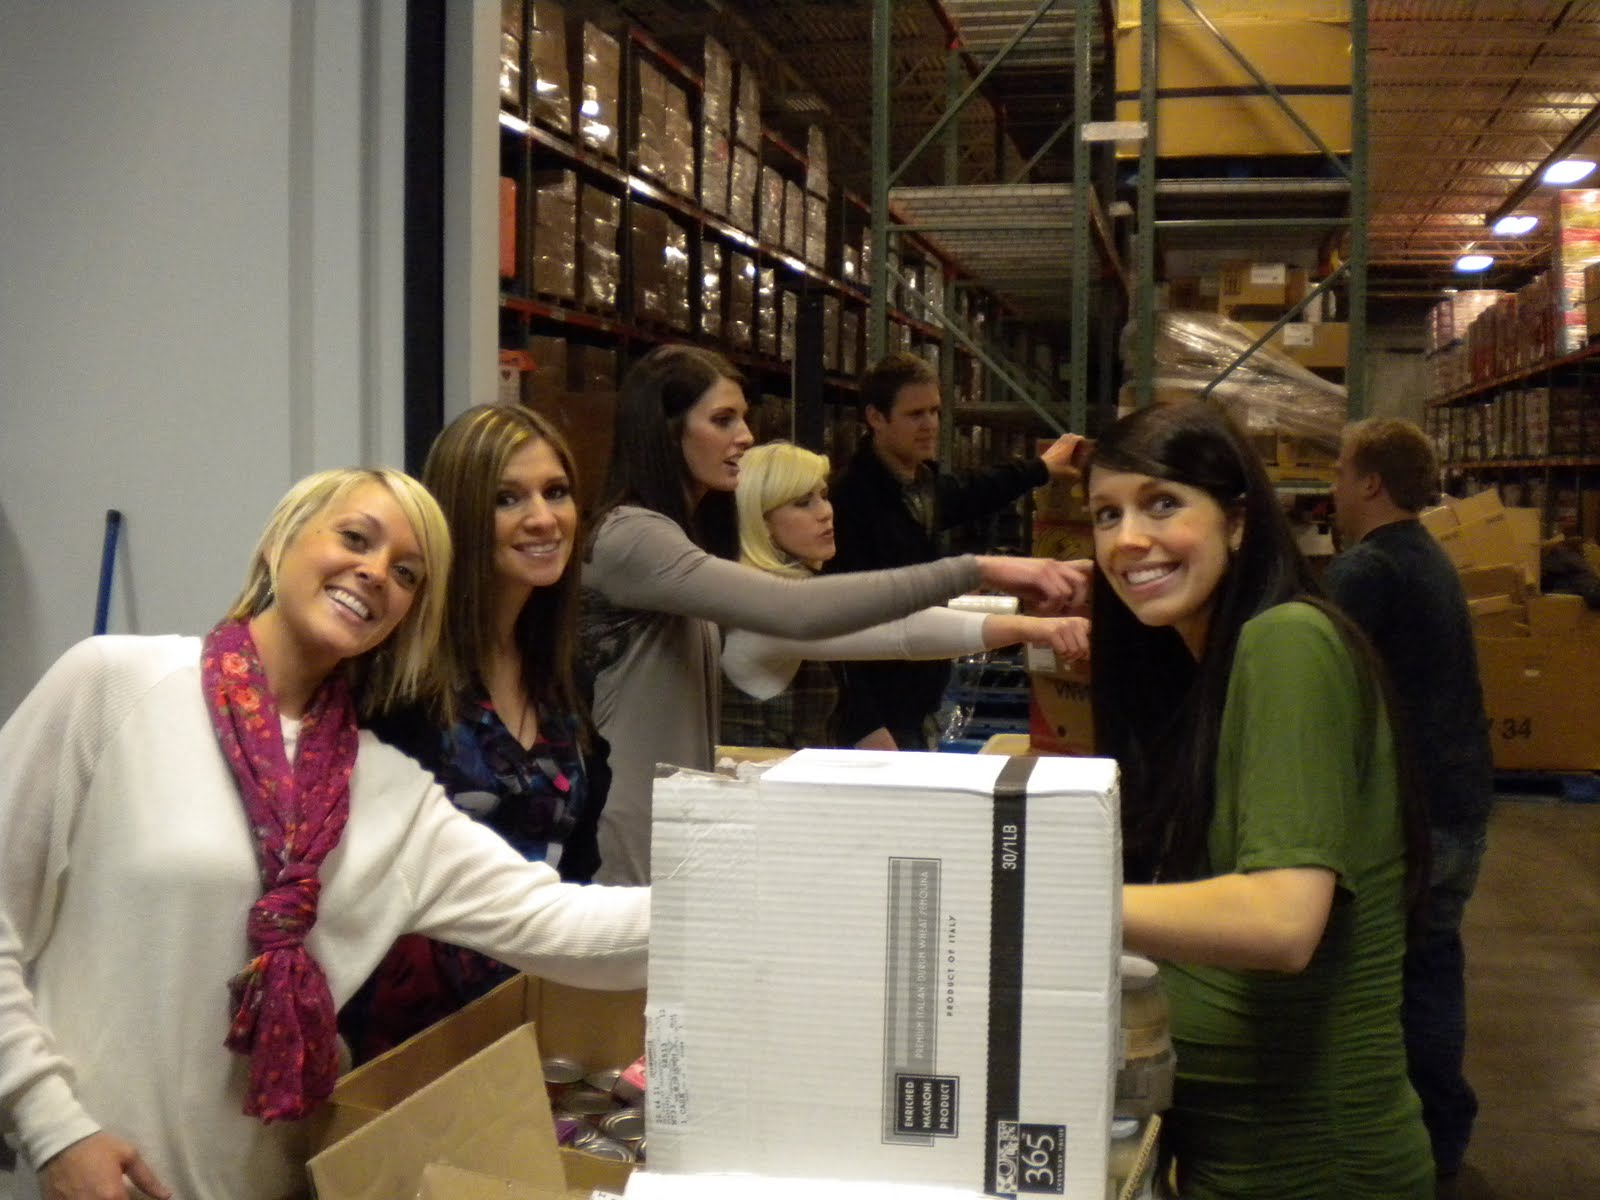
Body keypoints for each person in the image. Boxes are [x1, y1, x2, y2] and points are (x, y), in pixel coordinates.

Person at [0, 468, 648, 1200]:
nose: (375, 573)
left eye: (407, 573)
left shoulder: (389, 795)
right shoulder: (116, 685)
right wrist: (55, 1131)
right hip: (91, 1179)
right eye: (355, 538)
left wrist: (739, 888)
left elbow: (562, 926)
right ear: (280, 541)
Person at [1086, 401, 1433, 1199]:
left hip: (1316, 1171)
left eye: (1161, 504)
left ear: (1238, 522)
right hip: (1232, 1160)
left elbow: (1281, 921)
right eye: (1106, 514)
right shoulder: (1203, 670)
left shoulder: (1288, 643)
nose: (1127, 538)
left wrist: (1038, 897)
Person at [580, 344, 1089, 884]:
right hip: (629, 839)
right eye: (723, 419)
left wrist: (1033, 624)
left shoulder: (681, 545)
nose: (746, 436)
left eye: (744, 418)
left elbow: (887, 632)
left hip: (669, 827)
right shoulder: (633, 536)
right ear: (666, 430)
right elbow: (799, 612)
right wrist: (978, 569)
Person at [341, 405, 614, 1064]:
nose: (543, 518)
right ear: (461, 515)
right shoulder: (399, 672)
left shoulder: (561, 671)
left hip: (530, 1013)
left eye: (556, 491)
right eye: (507, 499)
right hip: (400, 1035)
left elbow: (577, 864)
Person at [1323, 416, 1493, 1180]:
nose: (1332, 489)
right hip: (1460, 802)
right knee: (1431, 964)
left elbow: (1318, 675)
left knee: (1383, 974)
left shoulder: (1369, 569)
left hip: (1413, 816)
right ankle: (1442, 1135)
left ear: (1370, 482)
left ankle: (1402, 1139)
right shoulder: (1426, 555)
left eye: (1339, 473)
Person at [721, 440, 1090, 750]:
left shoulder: (779, 593)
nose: (825, 513)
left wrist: (1022, 598)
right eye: (803, 502)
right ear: (760, 522)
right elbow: (900, 630)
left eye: (822, 496)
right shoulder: (763, 610)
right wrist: (1030, 627)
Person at [825, 350, 1086, 750]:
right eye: (915, 414)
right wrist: (864, 724)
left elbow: (972, 490)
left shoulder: (921, 485)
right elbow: (837, 623)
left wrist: (1040, 469)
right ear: (876, 417)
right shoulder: (849, 501)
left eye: (934, 411)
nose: (930, 424)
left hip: (921, 698)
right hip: (881, 717)